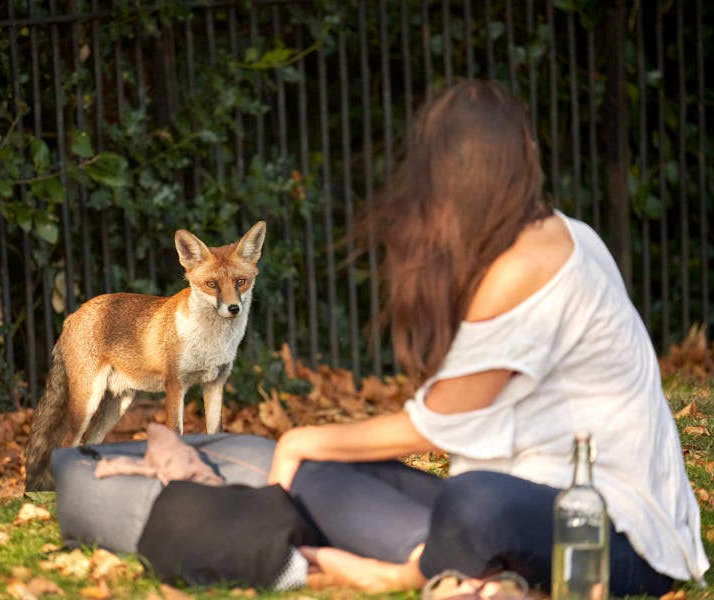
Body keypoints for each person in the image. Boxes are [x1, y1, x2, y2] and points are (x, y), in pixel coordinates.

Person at [267, 79, 710, 596]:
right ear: (525, 157)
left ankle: (408, 570)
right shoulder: (539, 238)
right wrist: (312, 454)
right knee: (320, 476)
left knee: (471, 501)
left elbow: (439, 425)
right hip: (522, 504)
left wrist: (301, 437)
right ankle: (477, 570)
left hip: (610, 537)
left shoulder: (527, 262)